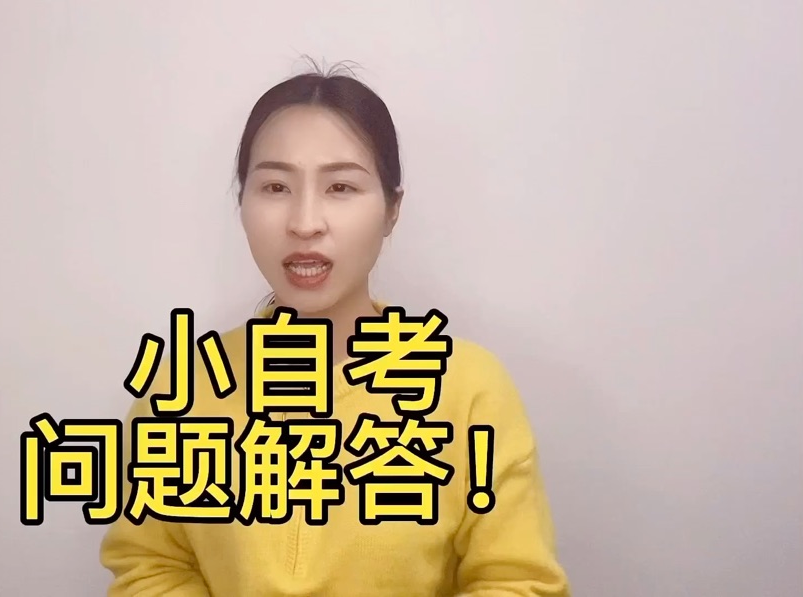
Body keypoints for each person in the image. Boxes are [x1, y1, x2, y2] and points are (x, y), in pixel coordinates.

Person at [99, 65, 571, 597]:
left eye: (341, 186)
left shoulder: (468, 389)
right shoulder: (180, 389)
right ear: (242, 203)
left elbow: (517, 581)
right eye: (275, 186)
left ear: (391, 210)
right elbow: (150, 564)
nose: (305, 222)